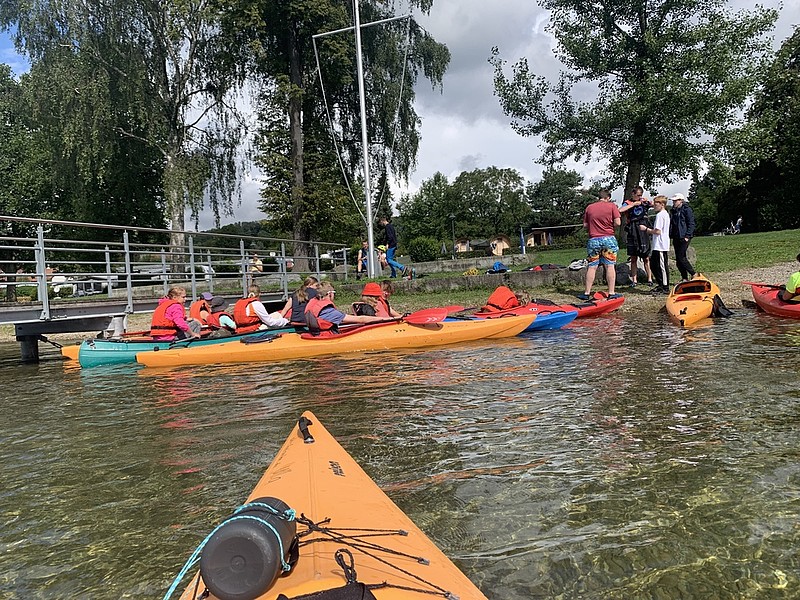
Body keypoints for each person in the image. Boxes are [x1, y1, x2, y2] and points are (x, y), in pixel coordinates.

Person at [579, 189, 622, 300]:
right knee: (610, 265)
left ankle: (587, 293)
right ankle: (611, 293)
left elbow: (585, 225)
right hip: (608, 239)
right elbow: (618, 222)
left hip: (593, 240)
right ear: (608, 197)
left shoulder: (589, 207)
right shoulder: (612, 206)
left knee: (592, 266)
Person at [304, 281, 395, 333]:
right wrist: (390, 319)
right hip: (325, 336)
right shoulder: (328, 311)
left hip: (317, 333)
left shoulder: (314, 303)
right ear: (330, 294)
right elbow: (361, 320)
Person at [619, 186, 653, 287]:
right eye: (637, 195)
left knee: (646, 257)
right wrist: (633, 204)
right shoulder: (628, 202)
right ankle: (634, 280)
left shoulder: (643, 201)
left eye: (640, 195)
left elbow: (654, 204)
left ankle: (650, 278)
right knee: (633, 257)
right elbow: (620, 210)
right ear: (633, 194)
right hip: (632, 229)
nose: (639, 197)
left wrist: (647, 202)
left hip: (643, 228)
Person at [639, 196, 671, 294]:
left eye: (656, 203)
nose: (654, 205)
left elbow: (658, 231)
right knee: (654, 265)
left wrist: (646, 229)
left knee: (661, 266)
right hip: (657, 245)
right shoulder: (661, 214)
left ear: (662, 204)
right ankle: (660, 284)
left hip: (661, 244)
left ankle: (665, 287)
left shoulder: (661, 215)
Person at [669, 193, 696, 282]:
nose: (674, 202)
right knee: (678, 259)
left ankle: (693, 274)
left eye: (675, 200)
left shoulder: (686, 210)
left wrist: (688, 235)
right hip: (676, 236)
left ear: (681, 200)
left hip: (684, 236)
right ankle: (684, 277)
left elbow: (691, 223)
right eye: (673, 201)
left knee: (681, 257)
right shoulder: (673, 211)